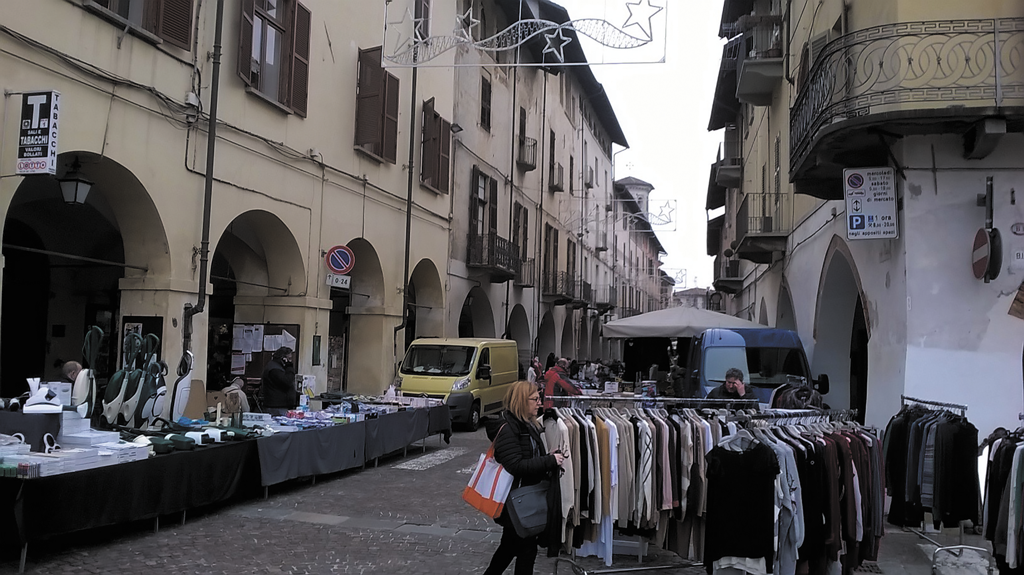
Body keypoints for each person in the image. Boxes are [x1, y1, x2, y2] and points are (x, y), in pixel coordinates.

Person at [483, 381, 564, 575]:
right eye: (535, 399)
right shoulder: (509, 429)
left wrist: (548, 456)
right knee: (525, 550)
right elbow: (516, 466)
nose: (539, 403)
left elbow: (528, 456)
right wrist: (549, 461)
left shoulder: (528, 425)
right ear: (521, 401)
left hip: (522, 500)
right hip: (515, 502)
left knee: (512, 548)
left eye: (540, 398)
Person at [261, 347, 297, 416]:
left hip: (279, 405)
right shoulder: (275, 370)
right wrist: (289, 366)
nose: (291, 361)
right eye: (289, 359)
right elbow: (287, 381)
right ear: (283, 358)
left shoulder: (276, 367)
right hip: (277, 406)